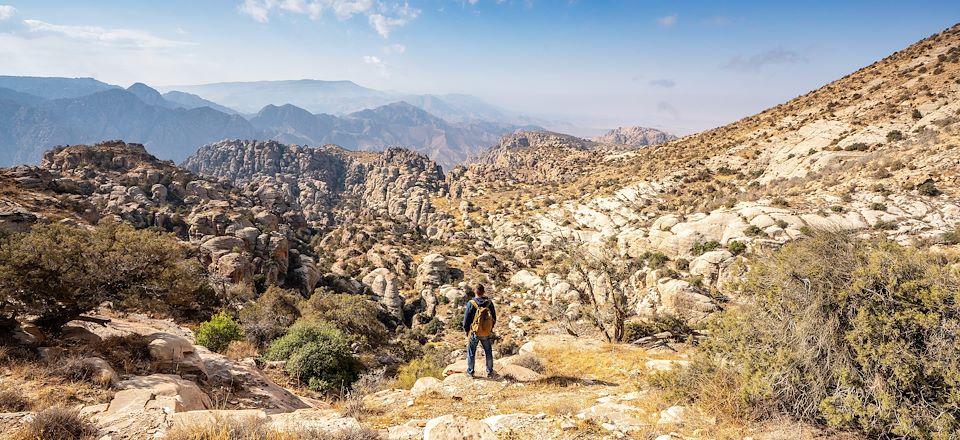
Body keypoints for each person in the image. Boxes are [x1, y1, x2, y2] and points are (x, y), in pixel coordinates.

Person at [462, 283, 497, 378]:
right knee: (488, 351)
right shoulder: (489, 303)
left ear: (475, 292)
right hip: (486, 332)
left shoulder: (471, 303)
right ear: (483, 292)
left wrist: (466, 331)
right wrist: (489, 328)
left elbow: (466, 320)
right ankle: (489, 371)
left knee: (471, 352)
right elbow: (494, 318)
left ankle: (470, 372)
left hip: (474, 332)